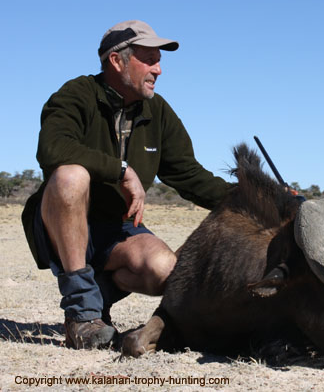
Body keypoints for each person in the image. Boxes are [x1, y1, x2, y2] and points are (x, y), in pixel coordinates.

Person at [21, 20, 233, 350]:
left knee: (165, 270)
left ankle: (97, 296)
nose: (159, 70)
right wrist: (122, 170)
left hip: (116, 231)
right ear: (117, 61)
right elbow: (52, 149)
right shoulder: (75, 95)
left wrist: (252, 197)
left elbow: (189, 174)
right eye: (149, 59)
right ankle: (81, 316)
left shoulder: (158, 110)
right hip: (62, 226)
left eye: (159, 61)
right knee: (70, 176)